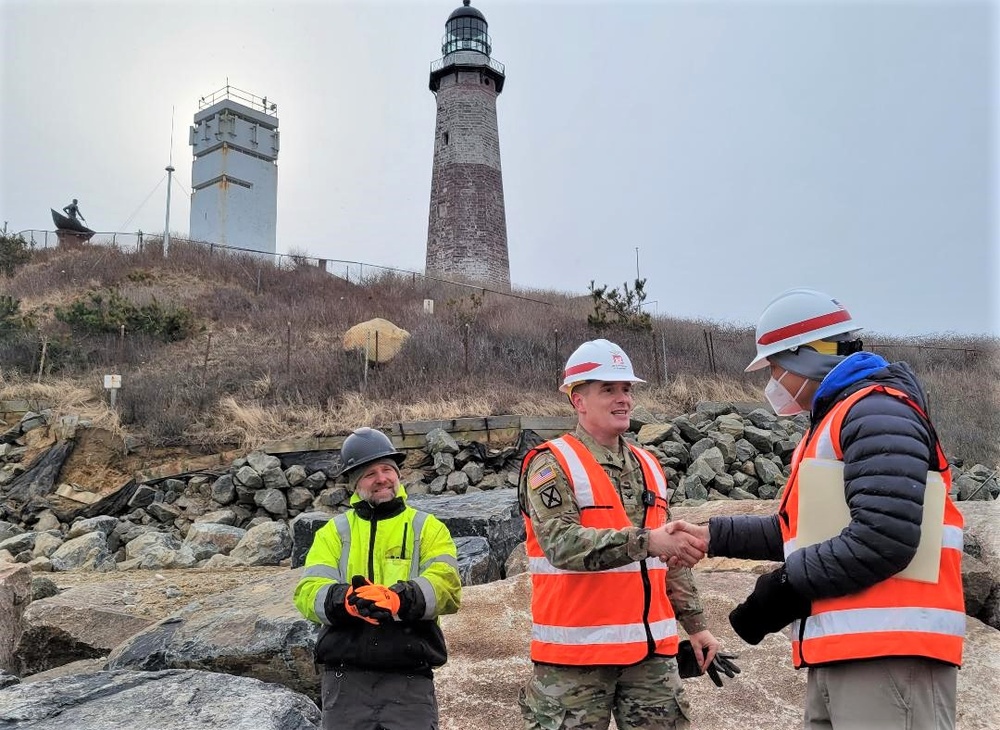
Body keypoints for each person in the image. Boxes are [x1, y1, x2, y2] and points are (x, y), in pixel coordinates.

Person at [671, 287, 965, 730]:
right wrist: (713, 536)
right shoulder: (843, 417)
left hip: (890, 654)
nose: (773, 383)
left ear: (804, 357)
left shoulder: (878, 412)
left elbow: (884, 537)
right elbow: (807, 531)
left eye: (774, 368)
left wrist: (784, 588)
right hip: (850, 653)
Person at [517, 338, 735, 730]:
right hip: (574, 662)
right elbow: (561, 545)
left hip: (652, 660)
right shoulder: (551, 464)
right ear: (577, 400)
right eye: (608, 390)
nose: (623, 400)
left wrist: (697, 626)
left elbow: (670, 559)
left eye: (626, 389)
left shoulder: (649, 465)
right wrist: (647, 541)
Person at [294, 427, 462, 730]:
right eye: (370, 473)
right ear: (354, 483)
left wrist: (401, 598)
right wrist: (344, 601)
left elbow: (447, 587)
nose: (382, 478)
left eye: (388, 469)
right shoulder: (333, 532)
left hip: (409, 676)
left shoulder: (428, 528)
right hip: (345, 679)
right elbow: (307, 593)